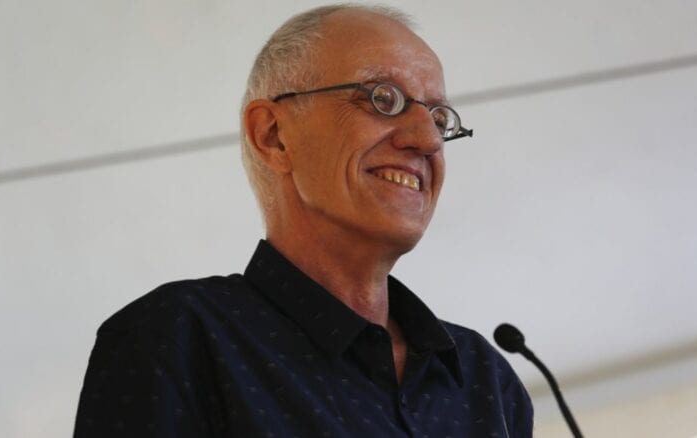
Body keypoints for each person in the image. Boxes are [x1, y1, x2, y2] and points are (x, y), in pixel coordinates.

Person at [74, 4, 533, 437]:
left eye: (439, 118)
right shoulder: (177, 338)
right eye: (383, 98)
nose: (427, 140)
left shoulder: (485, 379)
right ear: (274, 136)